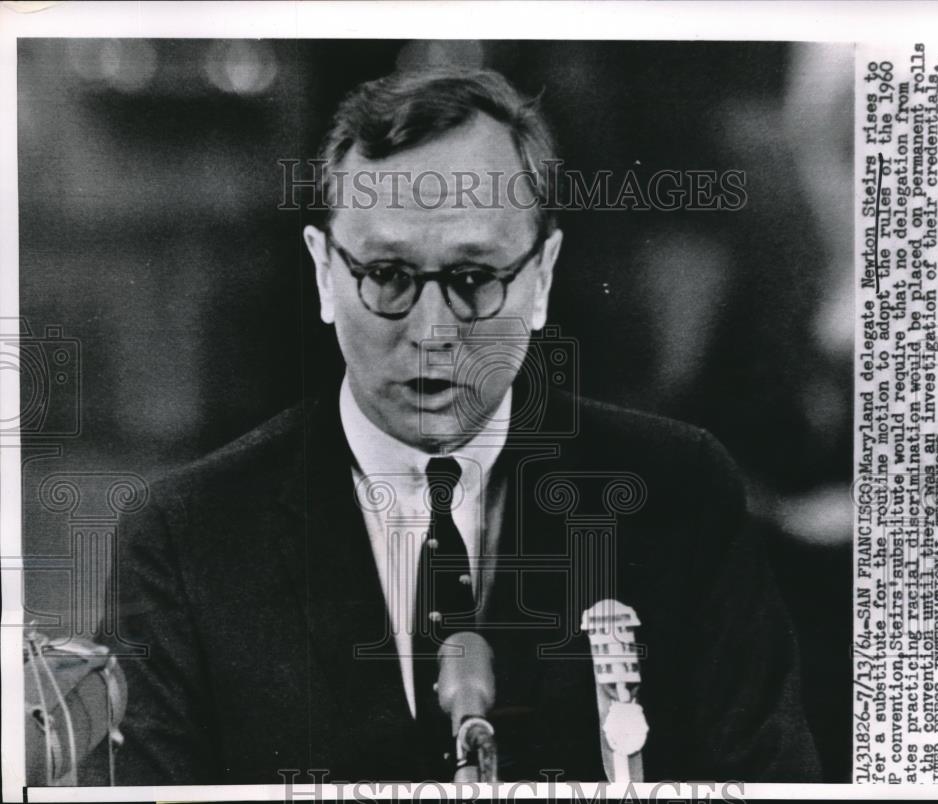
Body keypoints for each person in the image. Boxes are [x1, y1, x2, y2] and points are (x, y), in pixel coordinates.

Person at [98, 66, 820, 784]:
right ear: (324, 273)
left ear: (541, 277)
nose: (432, 331)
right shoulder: (185, 542)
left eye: (474, 279)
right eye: (387, 275)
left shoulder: (680, 496)